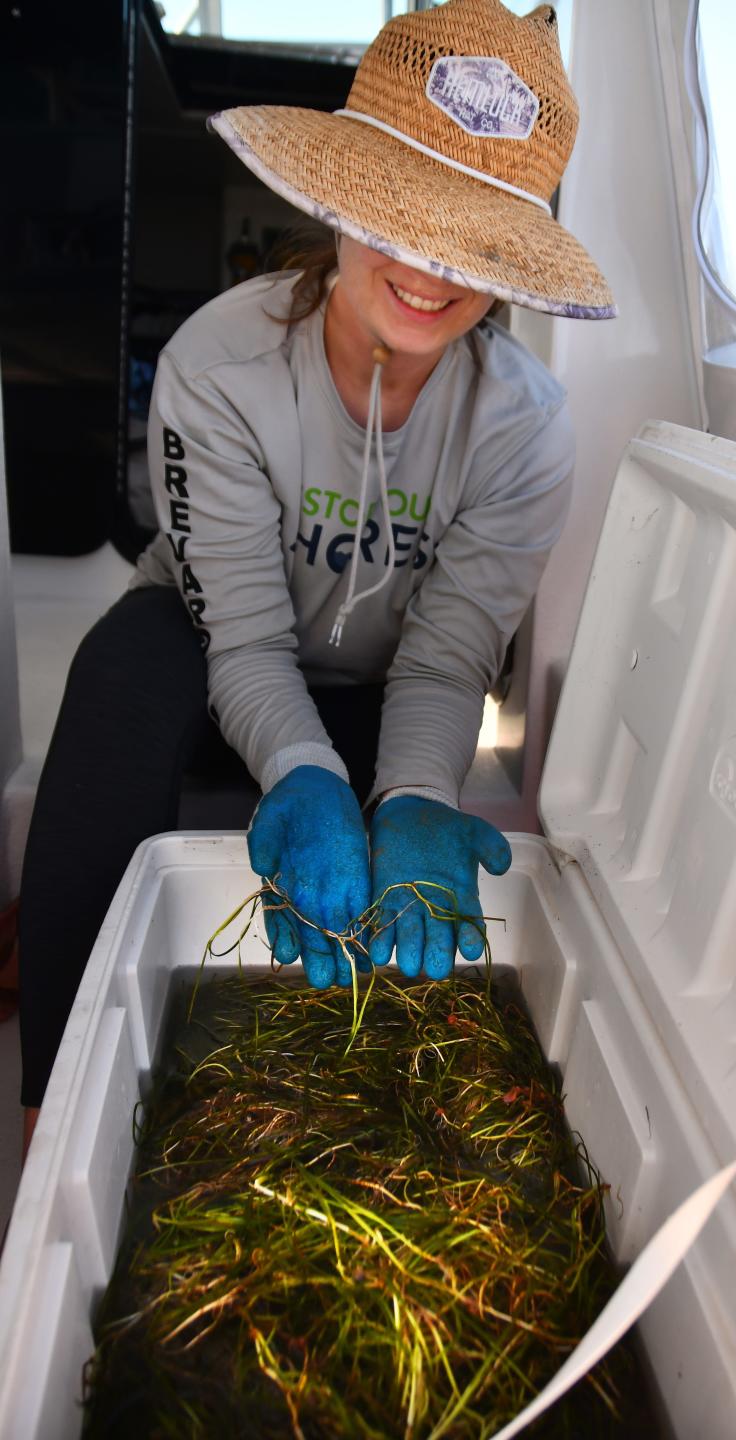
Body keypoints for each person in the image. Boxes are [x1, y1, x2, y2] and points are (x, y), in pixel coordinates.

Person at [17, 0, 615, 1146]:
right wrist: (296, 769)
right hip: (215, 662)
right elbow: (239, 637)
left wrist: (415, 796)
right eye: (400, 214)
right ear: (337, 197)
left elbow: (445, 657)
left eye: (476, 237)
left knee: (402, 794)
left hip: (388, 690)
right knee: (122, 668)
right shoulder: (220, 366)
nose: (431, 268)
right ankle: (51, 1116)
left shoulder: (527, 427)